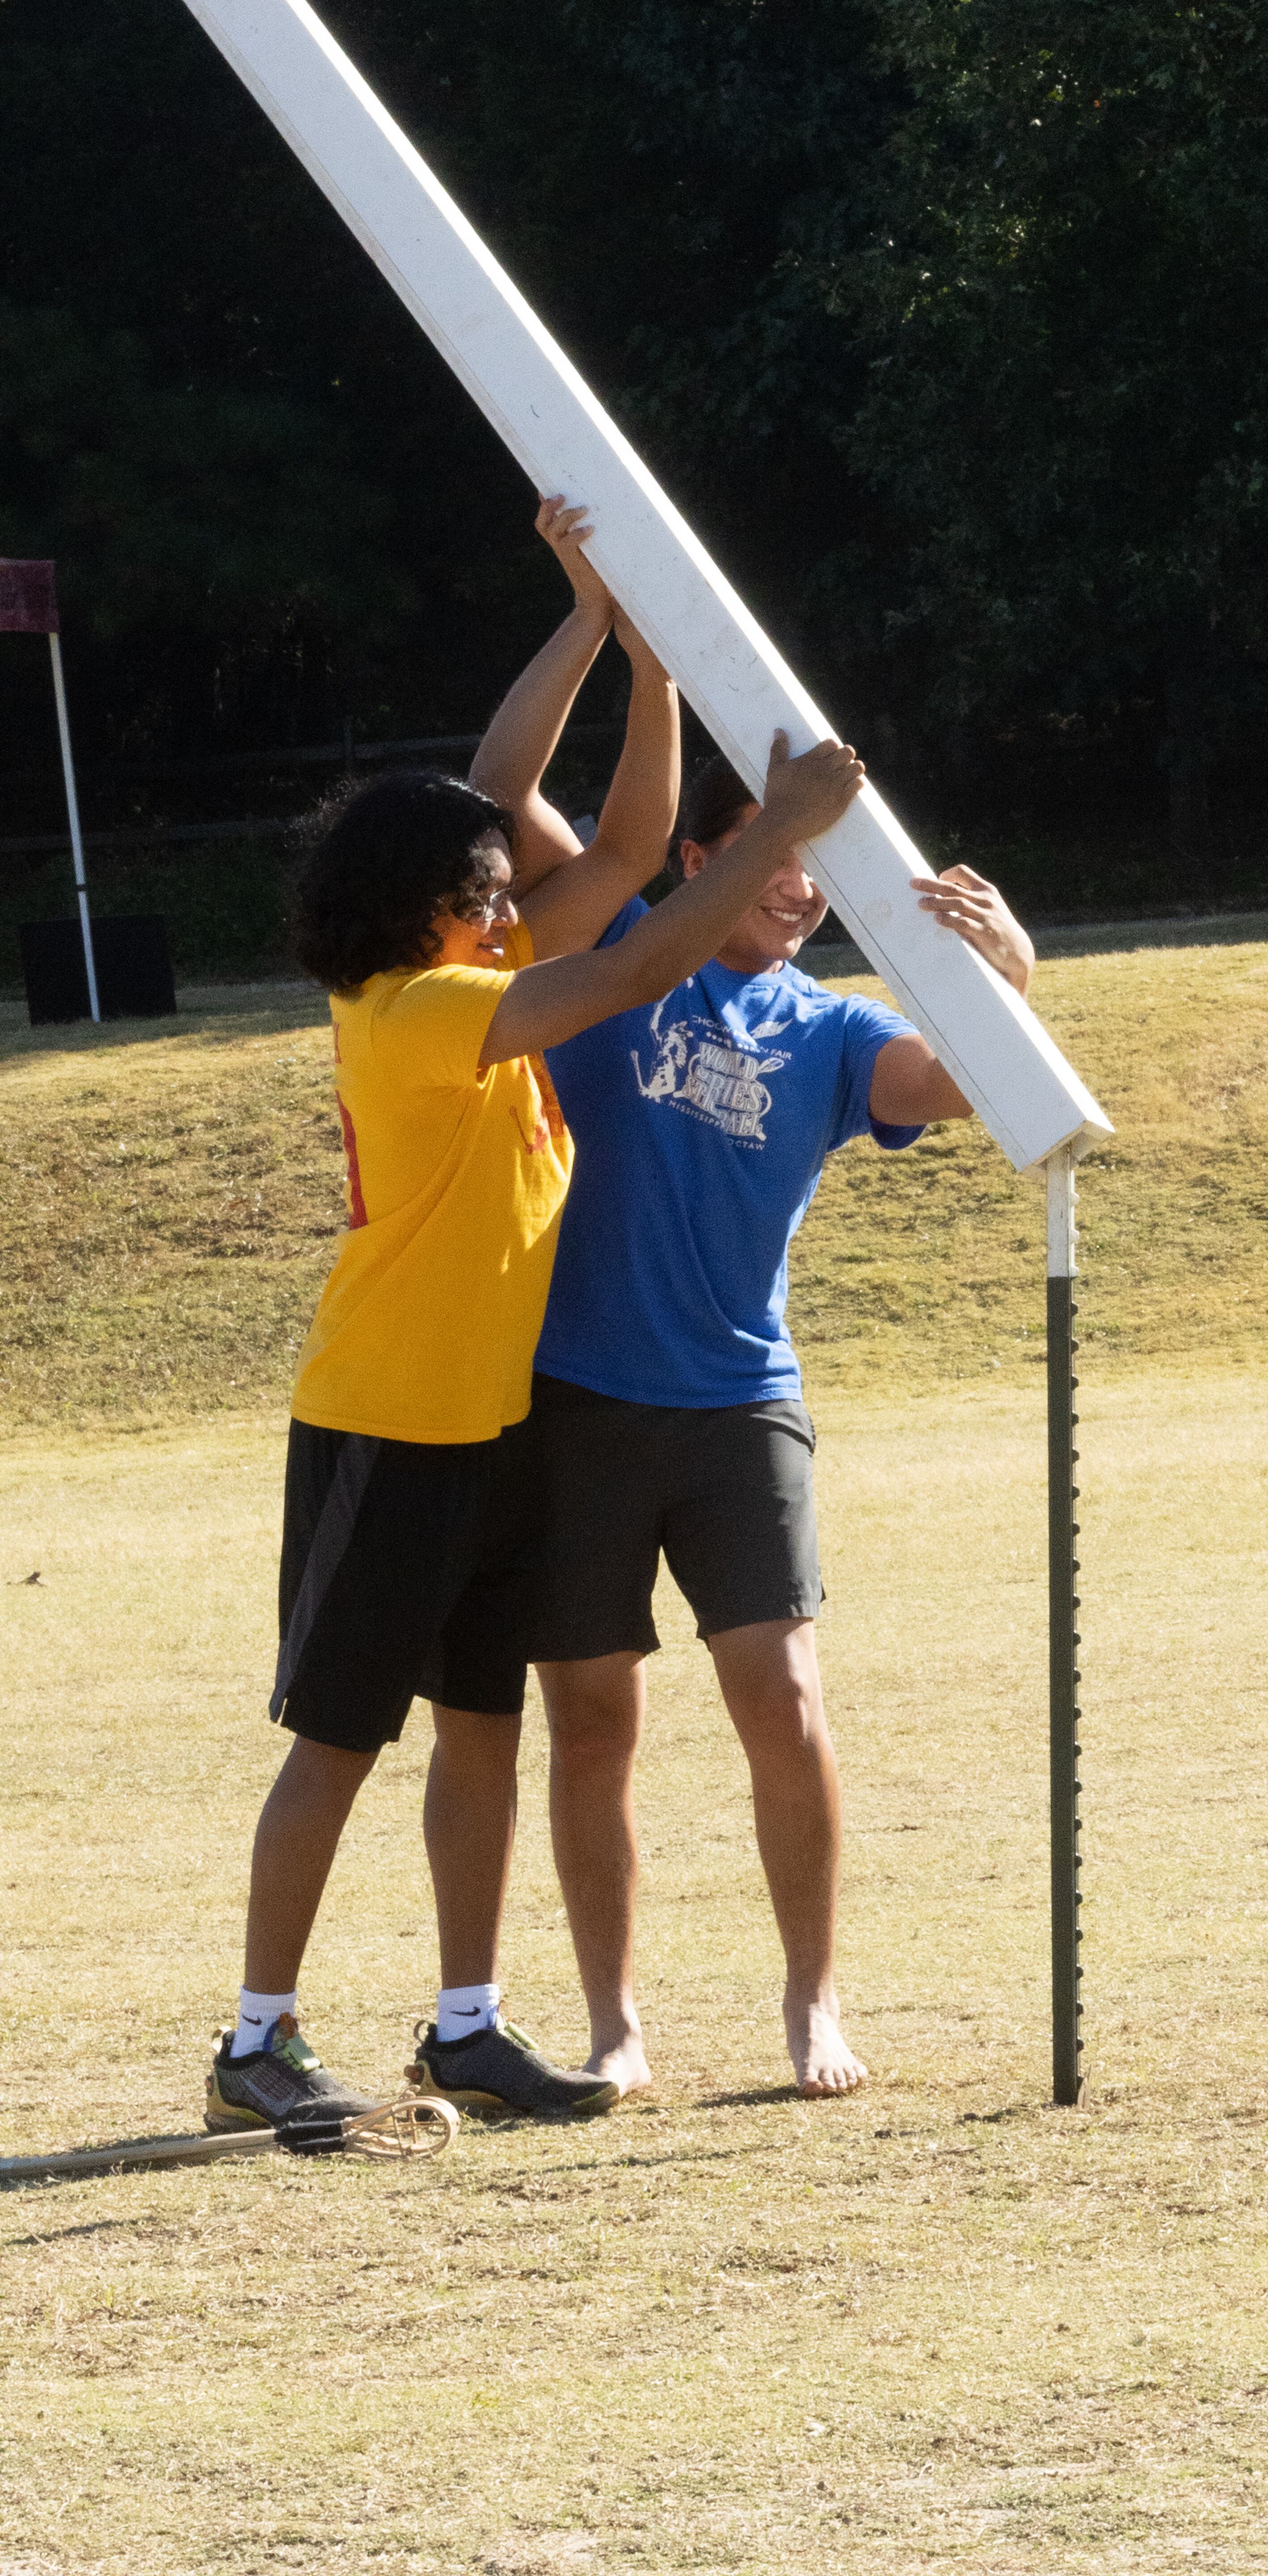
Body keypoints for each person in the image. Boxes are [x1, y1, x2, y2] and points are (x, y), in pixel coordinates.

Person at [206, 503, 867, 2133]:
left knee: (481, 1727)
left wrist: (620, 640)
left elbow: (629, 860)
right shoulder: (422, 1006)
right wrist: (780, 812)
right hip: (384, 1419)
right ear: (425, 907)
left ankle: (467, 2022)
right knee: (342, 1735)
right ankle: (254, 2040)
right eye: (490, 894)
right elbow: (634, 954)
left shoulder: (471, 970)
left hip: (487, 1425)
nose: (517, 908)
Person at [432, 499, 1035, 2104]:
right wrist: (623, 634)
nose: (803, 892)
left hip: (739, 1398)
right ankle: (617, 2025)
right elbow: (499, 801)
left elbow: (964, 1087)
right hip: (575, 1394)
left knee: (784, 1692)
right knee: (596, 1721)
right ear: (714, 855)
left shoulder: (833, 1038)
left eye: (824, 873)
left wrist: (1008, 974)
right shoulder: (627, 938)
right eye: (779, 860)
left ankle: (812, 2008)